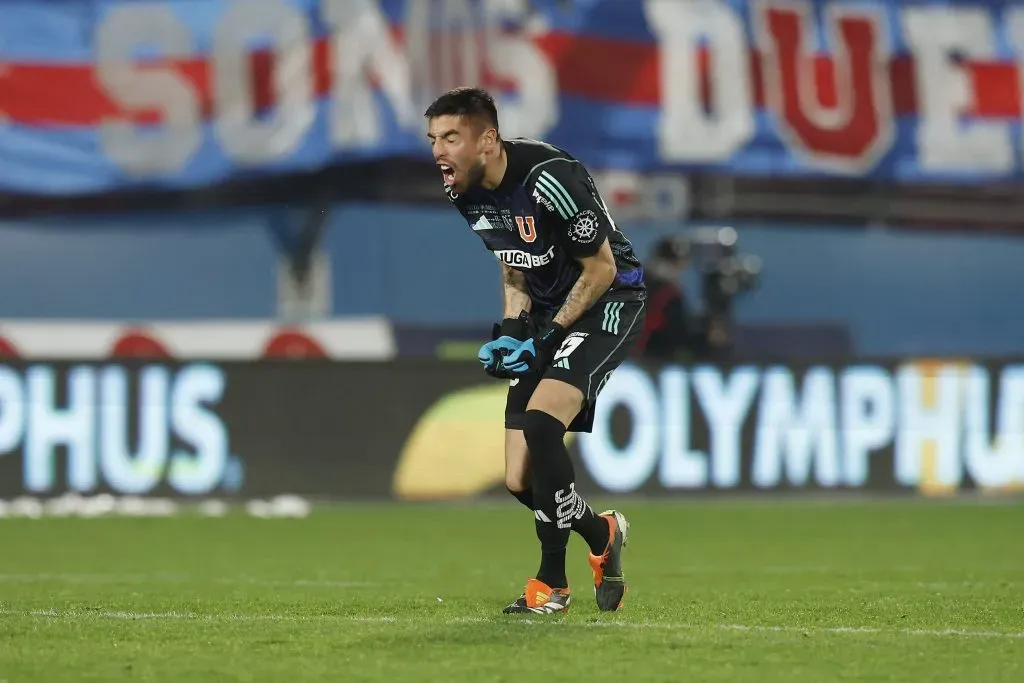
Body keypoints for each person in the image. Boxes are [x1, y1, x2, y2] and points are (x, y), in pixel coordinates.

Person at [425, 87, 647, 615]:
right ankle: (601, 531)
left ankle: (551, 584)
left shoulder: (550, 179)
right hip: (549, 313)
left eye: (451, 137)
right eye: (433, 138)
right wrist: (511, 328)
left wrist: (545, 338)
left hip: (609, 300)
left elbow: (601, 270)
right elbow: (513, 259)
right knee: (519, 478)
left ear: (487, 140)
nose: (438, 151)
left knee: (543, 423)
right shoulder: (465, 190)